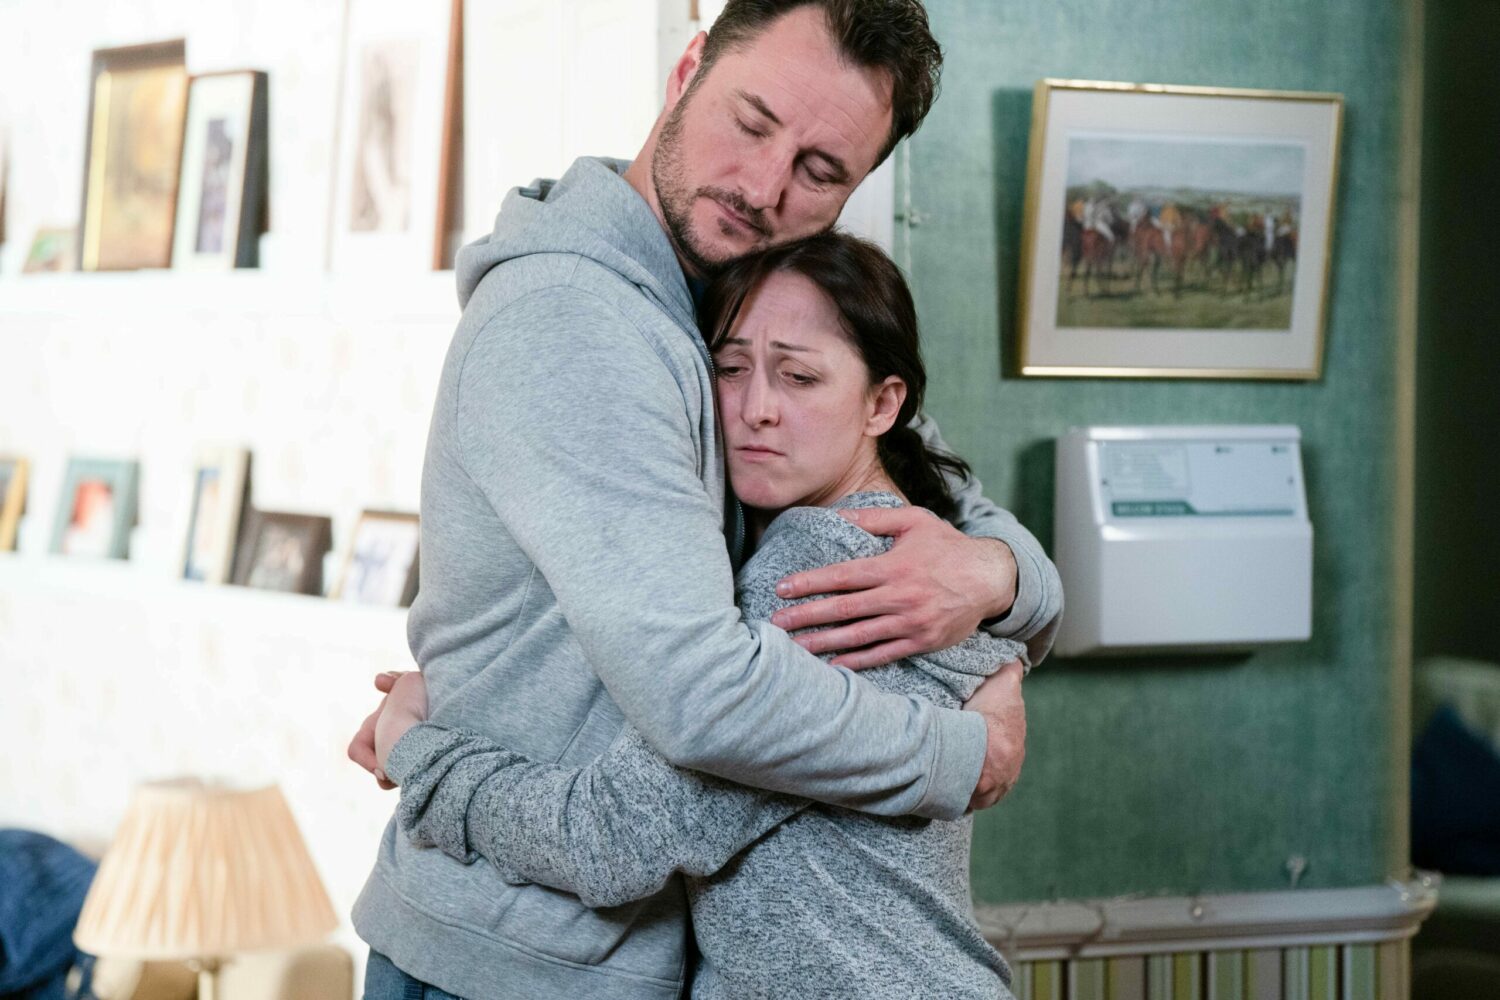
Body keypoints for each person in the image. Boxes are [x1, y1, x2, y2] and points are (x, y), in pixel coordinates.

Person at [346, 3, 1063, 998]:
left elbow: (944, 492)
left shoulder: (751, 305)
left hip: (643, 948)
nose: (764, 187)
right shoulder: (575, 320)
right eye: (753, 120)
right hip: (515, 960)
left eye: (821, 170)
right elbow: (701, 695)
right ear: (689, 66)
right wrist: (960, 751)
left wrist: (999, 577)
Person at [371, 232, 1022, 999]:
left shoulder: (819, 571)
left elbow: (608, 842)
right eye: (730, 367)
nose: (755, 411)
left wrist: (413, 747)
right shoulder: (933, 549)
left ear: (884, 403)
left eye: (801, 377)